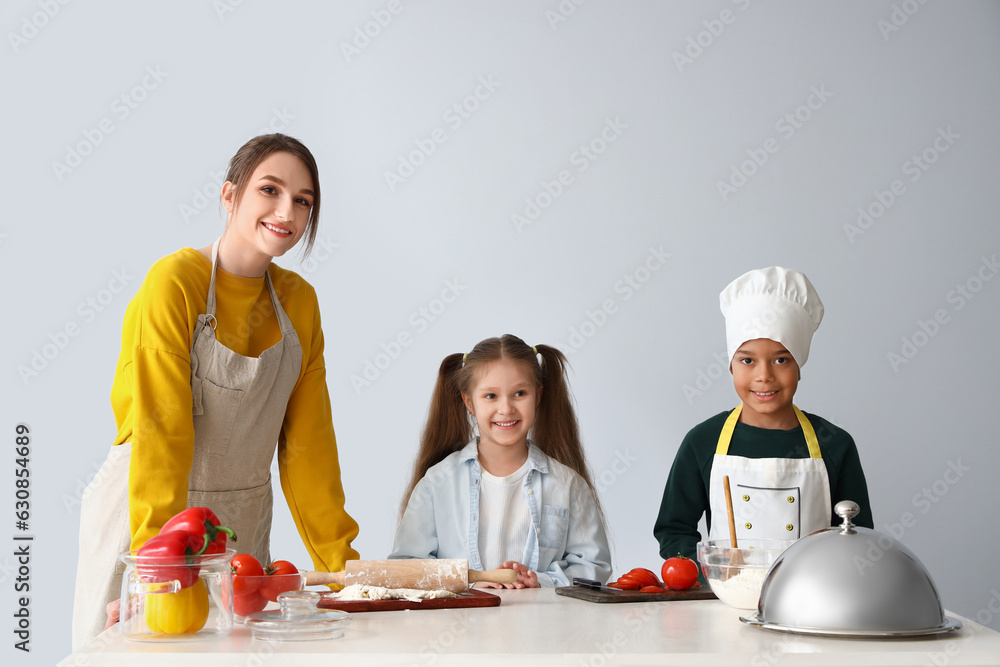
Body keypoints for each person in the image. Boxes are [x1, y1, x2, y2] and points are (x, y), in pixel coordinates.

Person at [72, 134, 359, 649]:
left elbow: (309, 447)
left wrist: (343, 570)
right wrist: (154, 569)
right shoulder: (173, 283)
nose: (286, 210)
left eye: (303, 200)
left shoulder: (300, 302)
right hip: (147, 522)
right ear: (230, 195)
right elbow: (162, 433)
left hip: (237, 531)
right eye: (269, 190)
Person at [654, 266, 873, 563]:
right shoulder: (703, 441)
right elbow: (674, 529)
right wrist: (705, 571)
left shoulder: (834, 444)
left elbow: (856, 537)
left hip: (810, 602)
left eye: (781, 360)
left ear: (799, 365)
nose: (763, 376)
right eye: (747, 360)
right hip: (726, 600)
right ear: (731, 366)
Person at [389, 334, 612, 588]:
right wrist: (469, 583)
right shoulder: (437, 483)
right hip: (459, 627)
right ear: (468, 401)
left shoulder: (567, 484)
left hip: (545, 627)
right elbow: (405, 568)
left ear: (538, 396)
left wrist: (541, 581)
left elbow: (594, 566)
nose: (506, 408)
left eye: (519, 393)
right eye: (491, 396)